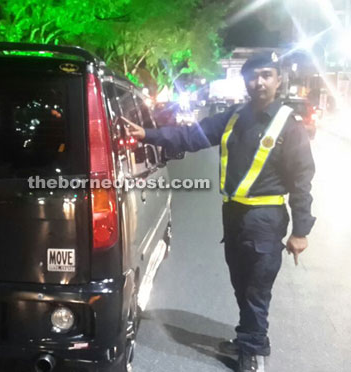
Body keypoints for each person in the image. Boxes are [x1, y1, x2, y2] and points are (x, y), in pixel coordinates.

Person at [124, 51, 315, 372]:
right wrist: (148, 135)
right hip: (235, 216)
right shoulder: (233, 117)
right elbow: (190, 136)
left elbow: (302, 180)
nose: (259, 82)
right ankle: (247, 338)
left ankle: (254, 352)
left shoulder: (289, 125)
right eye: (253, 76)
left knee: (256, 288)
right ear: (244, 80)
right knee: (241, 283)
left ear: (279, 79)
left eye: (267, 75)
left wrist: (301, 231)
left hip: (265, 220)